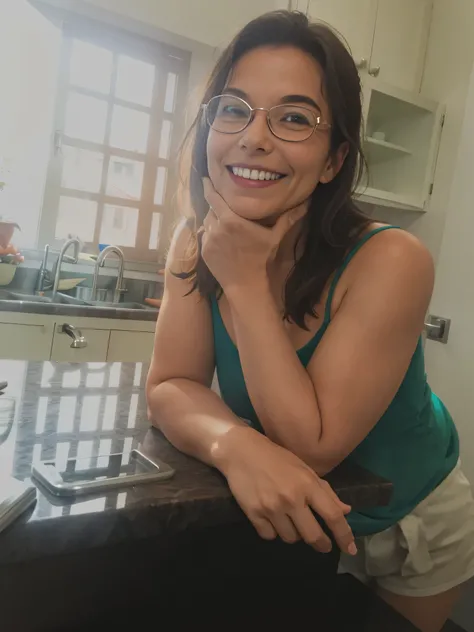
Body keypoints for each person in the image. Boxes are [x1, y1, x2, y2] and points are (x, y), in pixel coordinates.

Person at [146, 10, 474, 632]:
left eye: (295, 118)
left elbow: (311, 447)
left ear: (332, 160)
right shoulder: (195, 244)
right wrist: (233, 442)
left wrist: (244, 282)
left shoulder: (392, 259)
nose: (255, 137)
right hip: (298, 516)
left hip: (413, 522)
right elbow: (170, 385)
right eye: (235, 109)